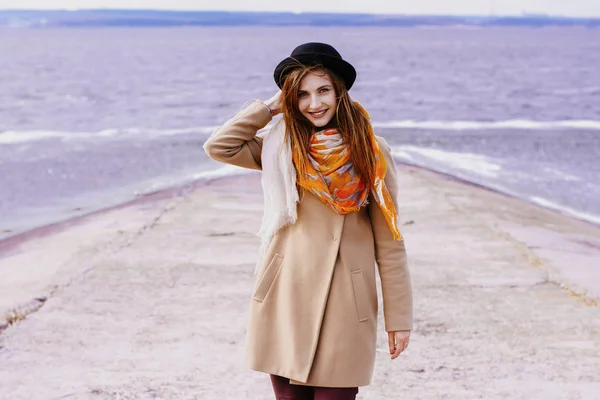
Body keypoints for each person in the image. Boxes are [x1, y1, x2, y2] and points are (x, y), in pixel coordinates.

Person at [204, 42, 413, 400]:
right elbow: (220, 146)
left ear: (339, 92)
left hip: (346, 301)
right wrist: (268, 108)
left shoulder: (371, 150)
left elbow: (390, 242)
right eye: (301, 95)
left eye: (323, 91)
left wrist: (399, 318)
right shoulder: (280, 146)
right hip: (285, 294)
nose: (314, 104)